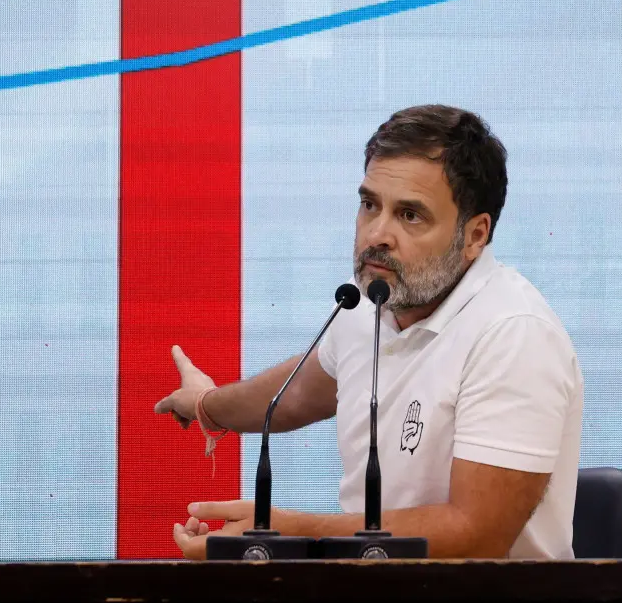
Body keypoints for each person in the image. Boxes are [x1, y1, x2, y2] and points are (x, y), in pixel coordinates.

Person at [155, 105, 583, 559]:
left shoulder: (513, 333)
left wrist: (294, 534)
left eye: (410, 216)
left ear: (475, 235)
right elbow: (294, 394)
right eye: (369, 205)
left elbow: (476, 534)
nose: (377, 233)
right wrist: (205, 405)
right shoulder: (372, 306)